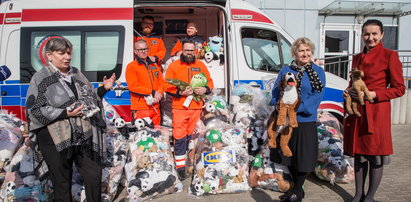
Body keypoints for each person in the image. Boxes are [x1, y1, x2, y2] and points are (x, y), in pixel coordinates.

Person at [25, 37, 115, 202]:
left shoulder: (76, 73)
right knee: (62, 182)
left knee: (94, 174)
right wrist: (66, 112)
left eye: (68, 53)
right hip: (54, 138)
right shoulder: (41, 78)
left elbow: (89, 98)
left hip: (83, 135)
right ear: (49, 55)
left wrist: (103, 90)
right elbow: (34, 110)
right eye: (61, 53)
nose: (67, 57)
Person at [343, 19, 405, 202]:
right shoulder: (356, 57)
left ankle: (370, 197)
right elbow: (353, 82)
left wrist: (375, 94)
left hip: (376, 113)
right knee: (359, 155)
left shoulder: (389, 55)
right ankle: (358, 194)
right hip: (358, 113)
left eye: (374, 34)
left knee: (375, 155)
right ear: (362, 35)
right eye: (366, 34)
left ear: (382, 34)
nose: (370, 38)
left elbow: (399, 88)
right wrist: (348, 91)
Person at [269, 37, 325, 202]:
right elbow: (276, 90)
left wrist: (298, 108)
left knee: (303, 156)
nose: (305, 53)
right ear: (295, 52)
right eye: (301, 50)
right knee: (289, 155)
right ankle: (296, 189)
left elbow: (318, 94)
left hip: (305, 119)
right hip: (285, 119)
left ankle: (298, 190)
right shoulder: (286, 70)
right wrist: (276, 103)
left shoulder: (318, 71)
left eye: (308, 50)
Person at [164, 40, 214, 179]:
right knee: (180, 137)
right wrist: (180, 93)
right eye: (187, 50)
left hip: (197, 107)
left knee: (194, 137)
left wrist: (205, 89)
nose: (189, 53)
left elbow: (210, 81)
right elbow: (166, 85)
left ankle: (192, 164)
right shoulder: (174, 66)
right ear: (182, 50)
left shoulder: (201, 65)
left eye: (192, 51)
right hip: (180, 107)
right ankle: (180, 167)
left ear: (195, 51)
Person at [126, 39, 165, 126]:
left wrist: (159, 94)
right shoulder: (131, 66)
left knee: (157, 136)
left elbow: (161, 82)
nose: (143, 51)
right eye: (140, 50)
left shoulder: (154, 65)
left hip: (155, 106)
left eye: (145, 49)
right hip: (141, 108)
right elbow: (133, 87)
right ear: (135, 51)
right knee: (143, 136)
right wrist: (153, 92)